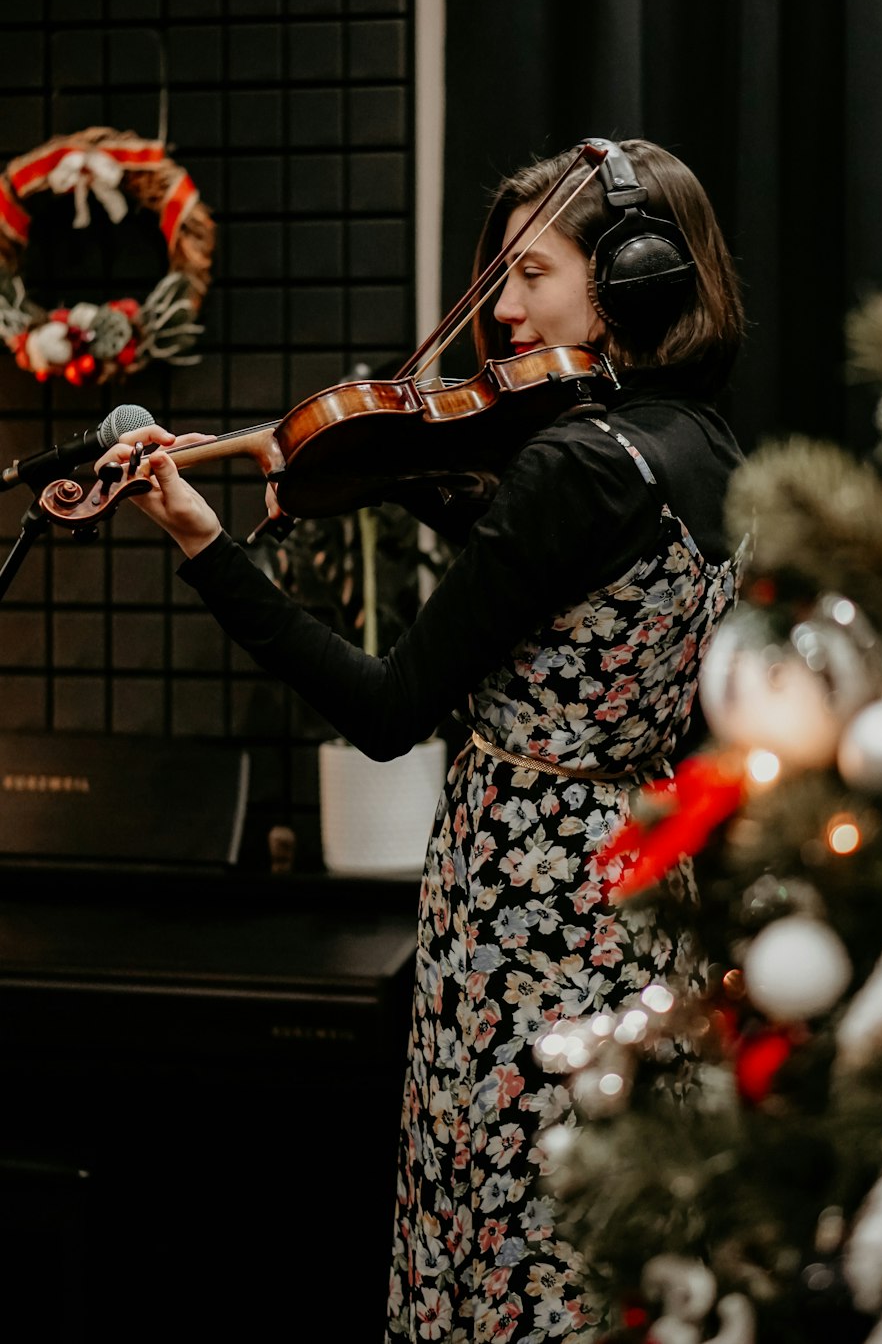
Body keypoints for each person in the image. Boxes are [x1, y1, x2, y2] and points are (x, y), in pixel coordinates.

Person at [96, 137, 747, 1344]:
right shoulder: (701, 450)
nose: (500, 309)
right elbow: (543, 589)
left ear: (636, 280)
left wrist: (201, 542)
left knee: (507, 1245)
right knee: (613, 1250)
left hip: (521, 903)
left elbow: (388, 709)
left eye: (532, 274)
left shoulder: (567, 468)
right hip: (641, 882)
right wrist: (393, 471)